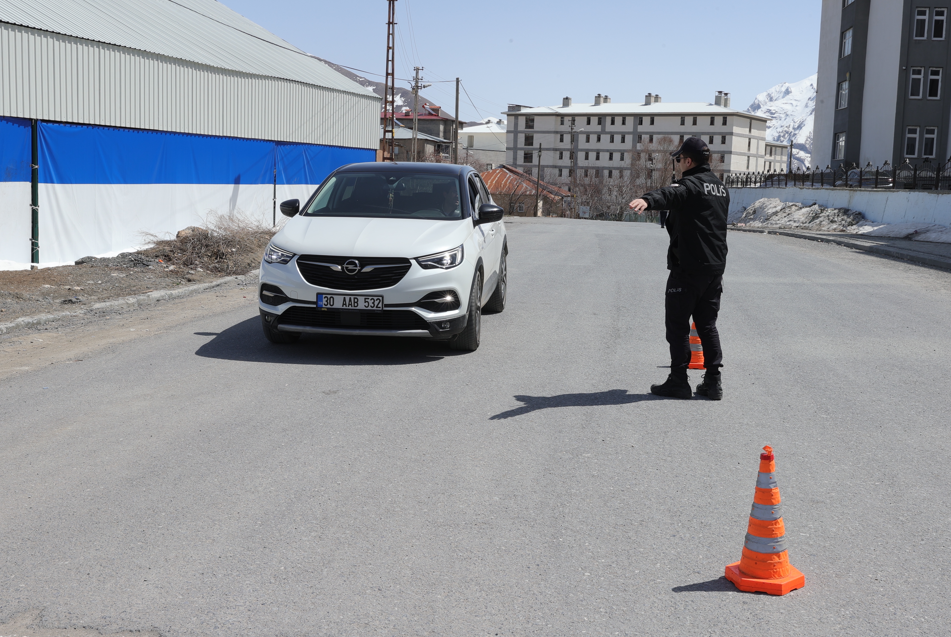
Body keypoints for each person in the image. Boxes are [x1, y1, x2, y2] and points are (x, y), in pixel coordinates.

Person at [628, 137, 729, 400]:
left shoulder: (690, 185)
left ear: (688, 160)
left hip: (688, 268)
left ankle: (678, 380)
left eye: (679, 159)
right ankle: (713, 382)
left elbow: (672, 194)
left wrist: (647, 200)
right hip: (714, 268)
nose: (678, 163)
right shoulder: (720, 188)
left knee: (678, 326)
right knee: (707, 325)